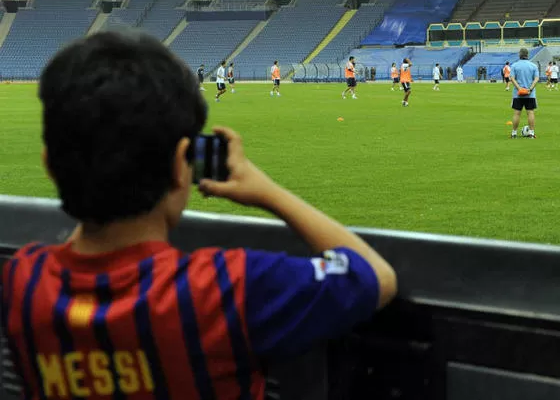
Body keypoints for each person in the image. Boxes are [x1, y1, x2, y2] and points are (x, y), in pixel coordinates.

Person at [1, 31, 397, 400]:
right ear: (181, 166)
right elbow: (374, 277)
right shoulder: (223, 289)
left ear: (49, 165)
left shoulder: (23, 282)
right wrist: (269, 193)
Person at [509, 48, 539, 139]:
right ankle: (531, 133)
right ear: (527, 55)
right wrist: (530, 89)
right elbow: (536, 79)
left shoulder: (514, 65)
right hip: (530, 94)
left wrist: (519, 88)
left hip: (518, 94)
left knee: (517, 113)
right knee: (530, 112)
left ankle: (514, 133)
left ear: (519, 55)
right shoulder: (533, 66)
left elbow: (512, 78)